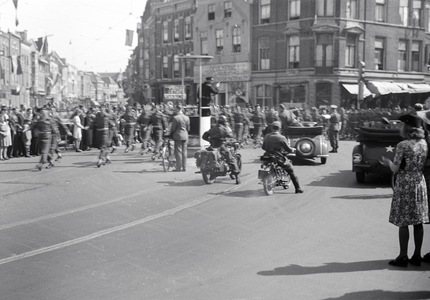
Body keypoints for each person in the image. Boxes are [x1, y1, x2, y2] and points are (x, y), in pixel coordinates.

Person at [379, 114, 429, 267]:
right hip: (419, 181)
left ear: (406, 127)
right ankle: (417, 255)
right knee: (418, 221)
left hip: (405, 182)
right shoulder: (424, 143)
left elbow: (395, 168)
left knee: (404, 220)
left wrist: (387, 162)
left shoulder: (403, 145)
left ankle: (402, 256)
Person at [262, 121, 304, 194]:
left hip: (267, 156)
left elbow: (263, 147)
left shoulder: (267, 136)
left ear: (272, 128)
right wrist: (292, 149)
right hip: (278, 157)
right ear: (280, 129)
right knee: (290, 170)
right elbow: (288, 149)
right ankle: (298, 188)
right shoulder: (281, 137)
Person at [202, 115, 240, 184]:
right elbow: (230, 135)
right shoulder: (224, 128)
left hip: (212, 146)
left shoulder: (213, 128)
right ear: (225, 122)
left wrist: (210, 140)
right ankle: (237, 178)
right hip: (221, 147)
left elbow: (204, 136)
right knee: (232, 160)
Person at [170, 104, 190, 172]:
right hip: (185, 135)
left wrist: (171, 134)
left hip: (178, 135)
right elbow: (188, 128)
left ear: (178, 109)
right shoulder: (187, 117)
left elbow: (173, 128)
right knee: (184, 151)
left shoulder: (175, 118)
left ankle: (178, 167)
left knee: (178, 151)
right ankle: (184, 167)